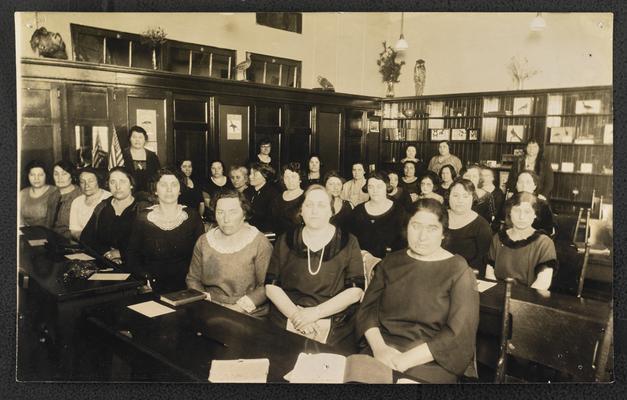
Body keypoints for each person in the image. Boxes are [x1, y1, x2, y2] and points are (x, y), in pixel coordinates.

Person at [356, 198, 479, 383]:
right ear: (406, 228)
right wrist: (380, 349)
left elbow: (458, 332)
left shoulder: (458, 270)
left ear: (443, 234)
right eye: (416, 226)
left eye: (432, 229)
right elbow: (367, 310)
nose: (422, 237)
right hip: (382, 348)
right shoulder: (390, 262)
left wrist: (404, 360)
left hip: (431, 358)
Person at [265, 185, 365, 349]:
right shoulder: (285, 239)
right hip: (288, 316)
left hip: (335, 322)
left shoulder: (349, 241)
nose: (314, 211)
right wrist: (297, 317)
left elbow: (355, 291)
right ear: (301, 211)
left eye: (321, 205)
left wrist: (315, 313)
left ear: (331, 211)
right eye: (309, 205)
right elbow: (271, 286)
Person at [186, 189, 273, 316]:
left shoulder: (259, 242)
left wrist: (237, 308)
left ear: (244, 214)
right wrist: (206, 303)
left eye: (233, 212)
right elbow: (193, 279)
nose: (226, 219)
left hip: (249, 312)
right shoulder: (204, 241)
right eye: (220, 212)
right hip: (210, 307)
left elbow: (266, 287)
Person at [126, 167, 205, 293]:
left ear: (180, 190)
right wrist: (145, 278)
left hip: (187, 286)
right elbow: (132, 255)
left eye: (174, 185)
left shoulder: (192, 216)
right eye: (163, 185)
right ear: (155, 190)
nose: (169, 190)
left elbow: (201, 255)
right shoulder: (143, 218)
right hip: (152, 286)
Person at [486, 192, 557, 290]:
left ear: (535, 214)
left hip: (528, 299)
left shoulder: (544, 243)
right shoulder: (498, 238)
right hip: (497, 295)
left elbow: (543, 282)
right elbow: (489, 273)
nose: (521, 217)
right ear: (510, 212)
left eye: (527, 212)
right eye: (517, 211)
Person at [80, 167, 140, 264]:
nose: (117, 187)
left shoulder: (142, 209)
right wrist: (107, 253)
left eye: (122, 182)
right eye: (113, 182)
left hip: (133, 265)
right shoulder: (103, 206)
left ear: (131, 184)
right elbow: (86, 239)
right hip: (105, 261)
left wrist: (122, 253)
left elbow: (148, 246)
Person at [346, 172, 408, 259]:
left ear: (386, 187)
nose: (375, 191)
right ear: (367, 188)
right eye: (371, 187)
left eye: (379, 186)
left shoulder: (399, 211)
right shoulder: (358, 212)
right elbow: (351, 242)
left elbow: (404, 244)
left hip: (392, 263)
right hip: (364, 262)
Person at [443, 179, 493, 277]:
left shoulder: (482, 226)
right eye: (455, 195)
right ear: (448, 197)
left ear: (473, 198)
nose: (460, 200)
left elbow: (482, 261)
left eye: (465, 196)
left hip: (466, 276)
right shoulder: (439, 218)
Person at [69, 168, 112, 240]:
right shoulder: (77, 202)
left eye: (91, 181)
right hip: (83, 243)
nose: (86, 185)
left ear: (98, 181)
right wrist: (86, 239)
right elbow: (74, 231)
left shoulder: (109, 199)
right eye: (82, 182)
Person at [510, 170, 555, 235]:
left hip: (534, 240)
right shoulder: (510, 202)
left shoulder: (542, 205)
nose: (524, 185)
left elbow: (548, 230)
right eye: (520, 182)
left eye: (528, 182)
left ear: (534, 186)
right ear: (516, 185)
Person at [122, 126, 161, 197]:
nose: (137, 140)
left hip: (149, 196)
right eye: (134, 137)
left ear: (145, 139)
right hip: (127, 195)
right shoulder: (122, 155)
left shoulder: (152, 156)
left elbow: (158, 176)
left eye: (140, 137)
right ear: (129, 139)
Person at [20, 160, 60, 228]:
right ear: (28, 176)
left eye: (40, 175)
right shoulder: (22, 193)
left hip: (49, 233)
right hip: (27, 232)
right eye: (32, 175)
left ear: (46, 175)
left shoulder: (55, 192)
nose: (36, 178)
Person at [271, 162, 305, 236]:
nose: (290, 180)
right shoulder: (277, 199)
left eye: (293, 177)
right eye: (287, 177)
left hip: (299, 240)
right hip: (280, 241)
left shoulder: (306, 197)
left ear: (300, 179)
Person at [244, 162, 279, 233]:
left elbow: (271, 221)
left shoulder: (273, 194)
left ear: (265, 176)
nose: (250, 176)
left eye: (254, 174)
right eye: (250, 173)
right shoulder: (246, 191)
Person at [52, 160, 81, 238]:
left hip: (71, 241)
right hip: (52, 238)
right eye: (56, 174)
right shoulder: (53, 195)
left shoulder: (80, 195)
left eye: (64, 174)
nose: (59, 178)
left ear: (72, 176)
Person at [480, 166, 505, 231]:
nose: (483, 178)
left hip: (492, 226)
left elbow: (497, 214)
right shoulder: (477, 190)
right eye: (482, 175)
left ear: (493, 177)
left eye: (487, 175)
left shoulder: (498, 193)